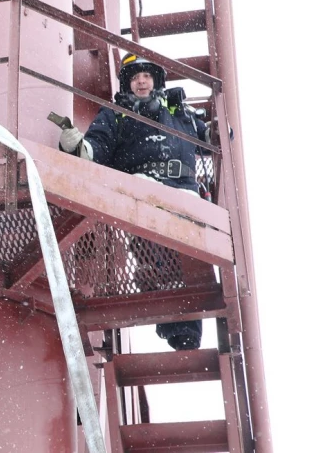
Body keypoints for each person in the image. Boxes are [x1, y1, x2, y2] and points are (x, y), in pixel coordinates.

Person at [58, 53, 211, 351]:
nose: (141, 81)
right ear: (127, 83)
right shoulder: (116, 114)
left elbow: (212, 138)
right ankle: (171, 321)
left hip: (186, 195)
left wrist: (219, 130)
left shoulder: (181, 112)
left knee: (190, 263)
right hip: (144, 192)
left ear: (157, 80)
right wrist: (75, 145)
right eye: (134, 77)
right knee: (155, 257)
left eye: (146, 75)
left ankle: (186, 327)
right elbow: (95, 149)